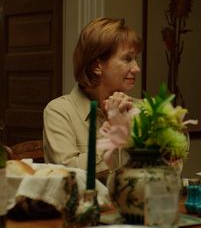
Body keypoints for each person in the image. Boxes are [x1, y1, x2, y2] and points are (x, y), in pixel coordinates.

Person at [43, 17, 143, 181]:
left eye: (136, 59)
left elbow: (163, 169)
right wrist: (113, 134)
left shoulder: (138, 107)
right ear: (96, 66)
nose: (136, 68)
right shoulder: (59, 111)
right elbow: (69, 174)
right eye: (127, 59)